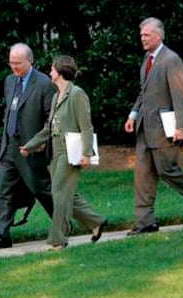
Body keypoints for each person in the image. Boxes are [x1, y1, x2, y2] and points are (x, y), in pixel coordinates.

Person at [124, 17, 183, 235]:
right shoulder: (147, 59)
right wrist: (133, 114)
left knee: (169, 172)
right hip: (144, 128)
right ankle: (145, 223)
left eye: (146, 34)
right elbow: (144, 92)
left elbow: (180, 94)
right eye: (141, 34)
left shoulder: (171, 59)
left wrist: (182, 126)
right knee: (142, 176)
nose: (142, 38)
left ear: (158, 35)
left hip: (164, 130)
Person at [20, 55, 107, 249]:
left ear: (59, 72)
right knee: (67, 195)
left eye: (52, 69)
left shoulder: (77, 94)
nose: (50, 72)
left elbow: (86, 127)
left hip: (71, 152)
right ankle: (97, 221)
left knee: (59, 194)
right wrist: (30, 145)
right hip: (55, 152)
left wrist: (86, 153)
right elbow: (49, 128)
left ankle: (58, 240)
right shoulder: (55, 96)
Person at [0, 43, 55, 250]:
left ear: (30, 61)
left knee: (42, 189)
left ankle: (61, 224)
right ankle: (1, 235)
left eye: (18, 63)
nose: (14, 67)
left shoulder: (43, 83)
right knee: (3, 191)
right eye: (11, 63)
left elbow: (52, 117)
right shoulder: (9, 81)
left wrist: (41, 142)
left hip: (31, 147)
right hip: (10, 146)